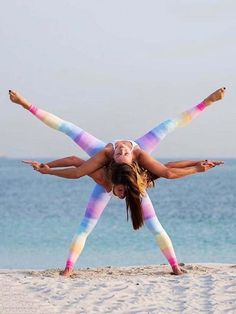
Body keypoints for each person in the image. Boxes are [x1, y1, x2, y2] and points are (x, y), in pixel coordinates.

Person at [9, 88, 225, 276]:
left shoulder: (104, 166)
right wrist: (198, 166)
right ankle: (175, 266)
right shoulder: (138, 154)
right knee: (167, 125)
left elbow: (76, 167)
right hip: (131, 175)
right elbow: (168, 170)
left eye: (123, 151)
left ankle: (69, 268)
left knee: (100, 224)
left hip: (112, 171)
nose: (121, 149)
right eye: (121, 151)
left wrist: (48, 169)